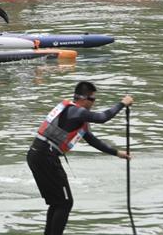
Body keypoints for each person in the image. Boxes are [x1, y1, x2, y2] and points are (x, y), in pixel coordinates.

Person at [27, 82, 134, 235]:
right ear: (83, 98)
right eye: (93, 99)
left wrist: (117, 153)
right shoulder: (76, 112)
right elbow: (102, 117)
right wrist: (122, 103)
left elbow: (92, 140)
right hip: (45, 156)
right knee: (65, 203)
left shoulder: (75, 116)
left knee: (58, 202)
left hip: (38, 155)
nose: (94, 103)